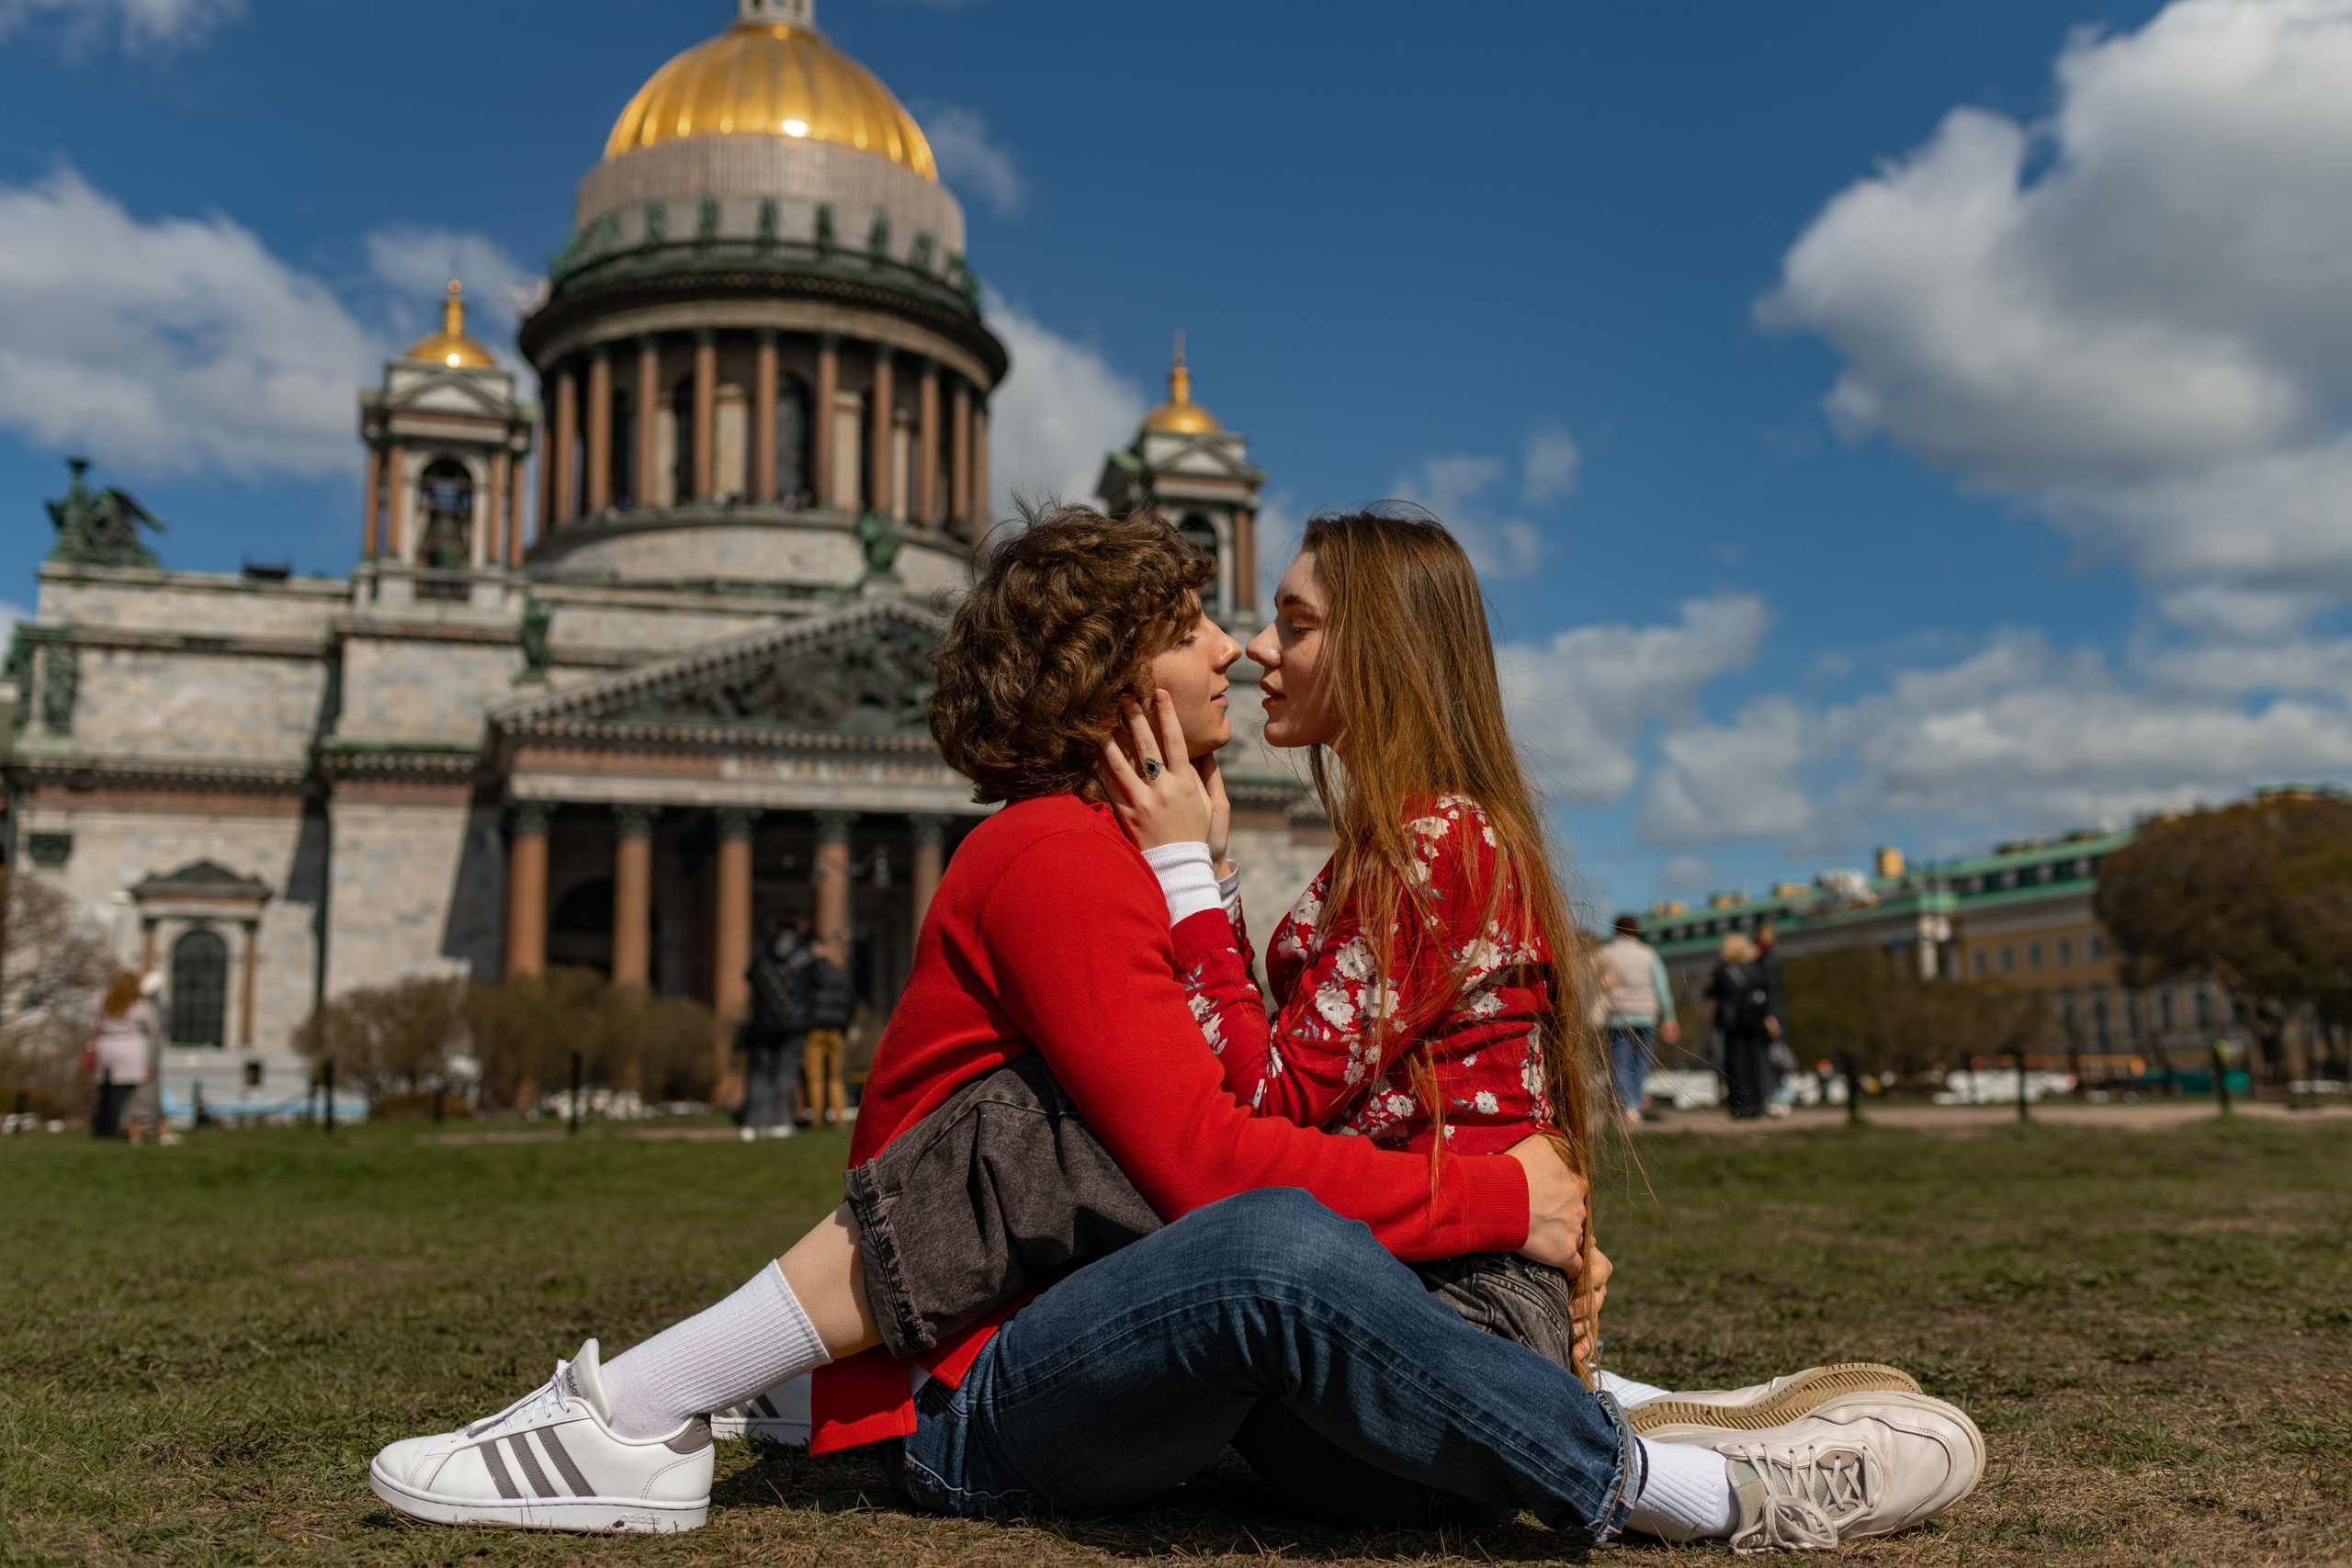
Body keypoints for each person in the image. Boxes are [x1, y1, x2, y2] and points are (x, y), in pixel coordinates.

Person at [369, 507, 1979, 1551]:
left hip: (1107, 1345)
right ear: (1106, 677)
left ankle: (648, 1404)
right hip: (1012, 1373)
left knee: (1232, 1209)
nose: (1235, 648)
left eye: (1257, 617)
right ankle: (1670, 1473)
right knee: (1212, 1206)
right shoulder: (1060, 854)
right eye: (1199, 621)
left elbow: (1250, 1125)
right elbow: (1215, 1154)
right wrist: (1508, 1199)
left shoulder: (1122, 856)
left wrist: (1522, 1216)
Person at [739, 914, 817, 1141]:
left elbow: (750, 978)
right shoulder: (806, 956)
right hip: (796, 1025)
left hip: (763, 1023)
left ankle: (753, 1124)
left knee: (760, 1073)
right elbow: (815, 985)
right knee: (786, 1072)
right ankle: (781, 1122)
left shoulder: (761, 953)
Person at [1599, 914, 1679, 1121]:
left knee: (1620, 1061)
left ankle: (1628, 1105)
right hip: (1646, 1015)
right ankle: (1636, 1100)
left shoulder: (1606, 953)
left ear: (1616, 930)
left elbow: (1597, 983)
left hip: (1618, 1016)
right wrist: (1669, 1017)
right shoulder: (1649, 954)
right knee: (1641, 1062)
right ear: (1636, 931)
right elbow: (1662, 987)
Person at [1708, 933, 1778, 1120]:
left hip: (1732, 1023)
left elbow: (1712, 991)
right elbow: (1765, 993)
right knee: (1754, 1061)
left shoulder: (1723, 970)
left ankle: (1740, 1105)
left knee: (1736, 1064)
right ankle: (1756, 1104)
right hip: (1753, 1020)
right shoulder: (1755, 968)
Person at [87, 971, 160, 1142]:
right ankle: (112, 1131)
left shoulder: (107, 1004)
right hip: (130, 1049)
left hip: (107, 1049)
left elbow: (98, 1025)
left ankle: (100, 1130)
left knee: (106, 1093)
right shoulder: (139, 1004)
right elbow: (153, 1027)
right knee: (121, 1095)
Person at [800, 936, 852, 1127]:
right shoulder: (840, 974)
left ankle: (816, 1119)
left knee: (815, 1075)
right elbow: (849, 1002)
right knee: (836, 1076)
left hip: (815, 1028)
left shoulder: (809, 974)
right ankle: (839, 1118)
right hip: (836, 1029)